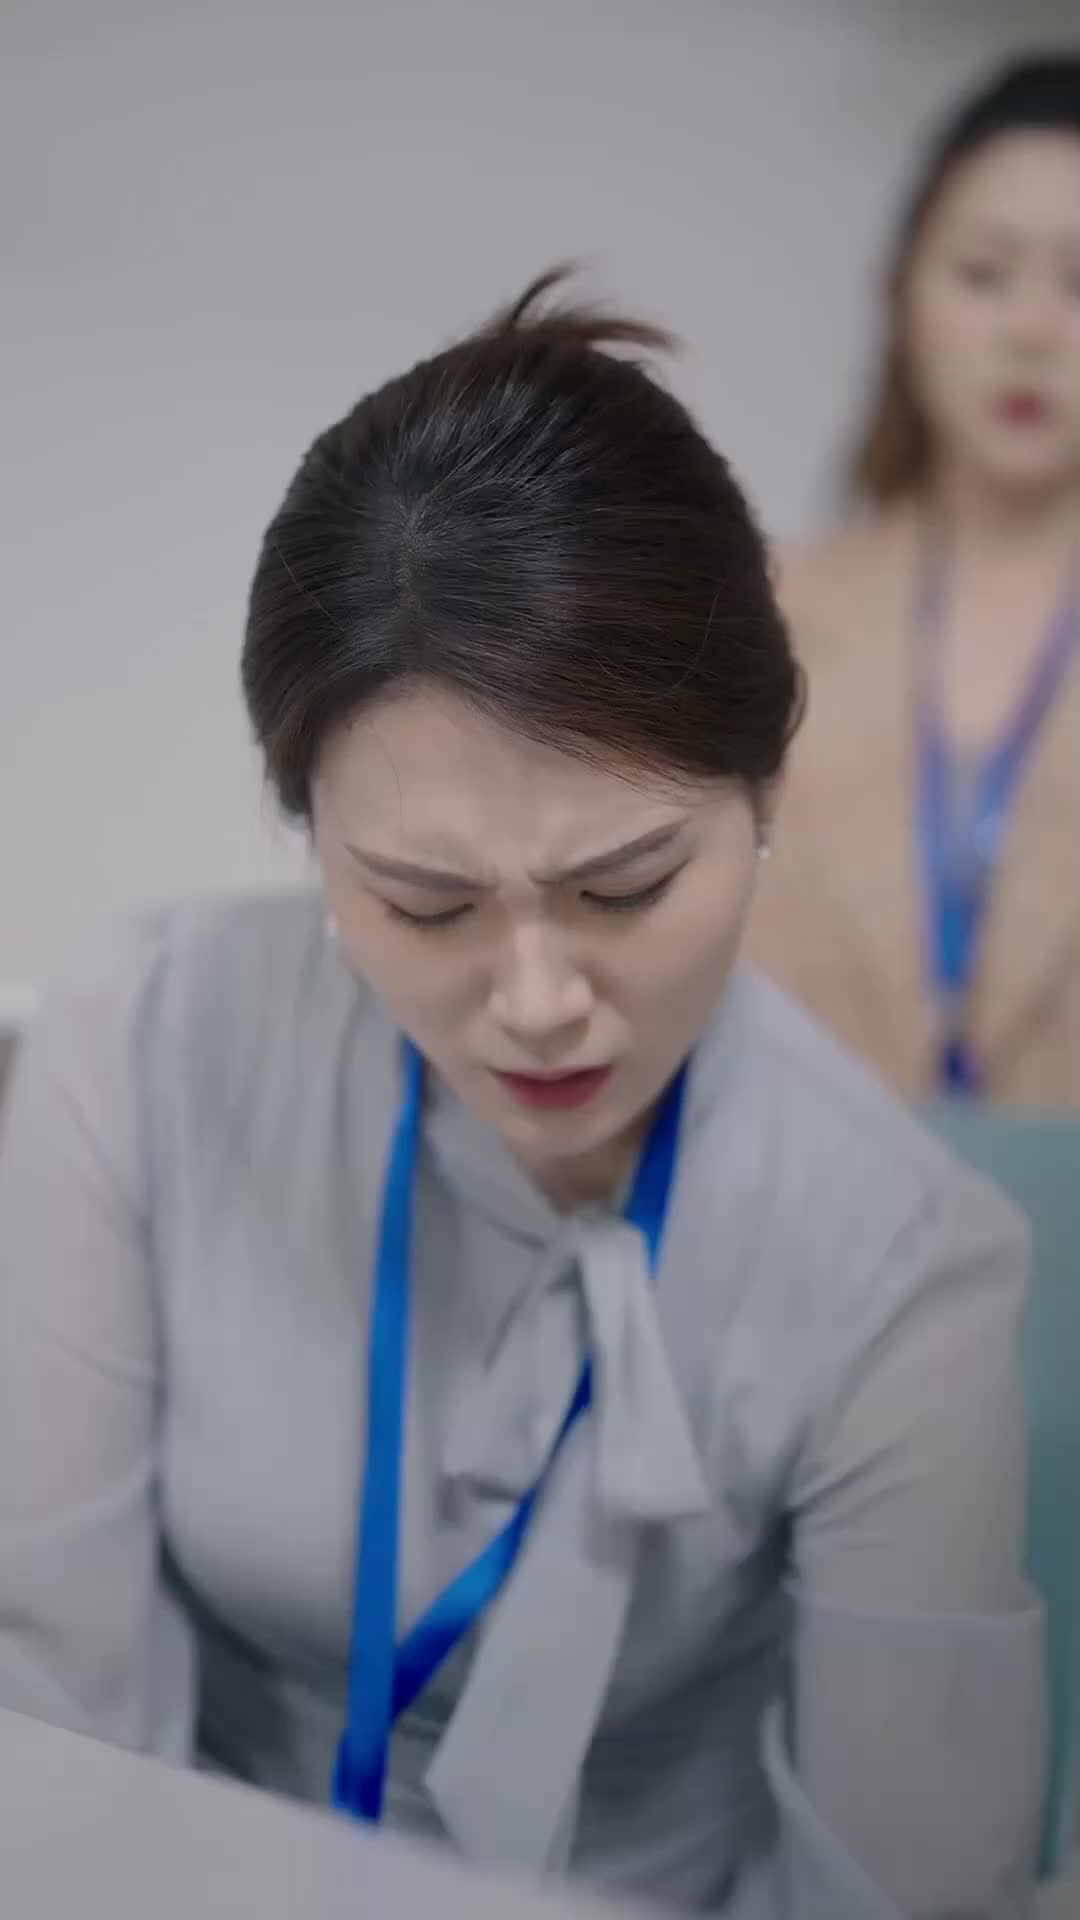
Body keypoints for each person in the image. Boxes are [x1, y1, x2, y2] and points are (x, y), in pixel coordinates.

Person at [0, 274, 1043, 1918]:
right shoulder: (138, 1052)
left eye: (626, 888)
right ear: (307, 828)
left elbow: (901, 1890)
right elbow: (47, 1736)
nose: (539, 1000)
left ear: (766, 783)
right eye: (425, 906)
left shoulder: (904, 1263)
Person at [748, 56, 1080, 1106]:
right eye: (984, 273)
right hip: (809, 1189)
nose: (1031, 331)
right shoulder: (762, 614)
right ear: (904, 294)